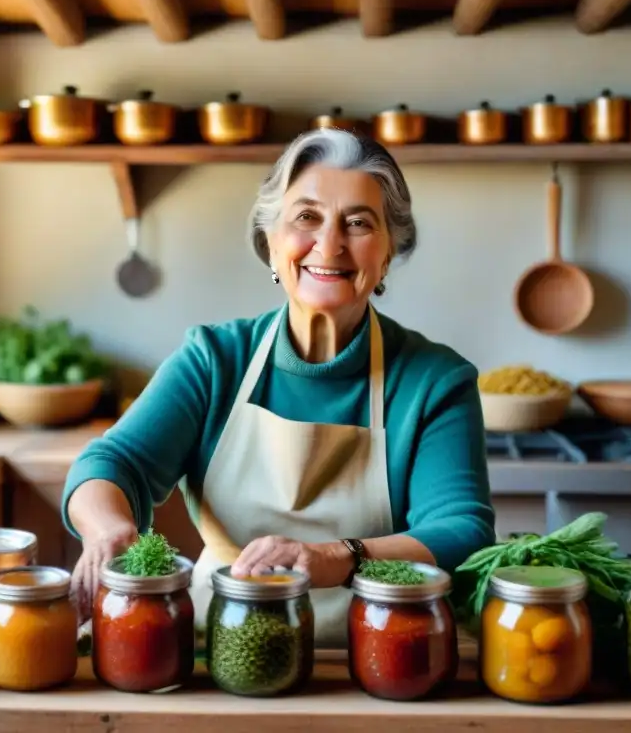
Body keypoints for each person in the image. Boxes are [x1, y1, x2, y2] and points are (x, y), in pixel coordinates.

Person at [62, 128, 494, 647]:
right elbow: (112, 463)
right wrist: (108, 527)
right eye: (306, 218)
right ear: (271, 243)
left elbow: (460, 529)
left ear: (387, 252)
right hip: (219, 639)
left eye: (358, 223)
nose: (329, 244)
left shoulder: (434, 381)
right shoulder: (215, 360)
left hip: (382, 645)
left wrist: (335, 557)